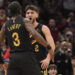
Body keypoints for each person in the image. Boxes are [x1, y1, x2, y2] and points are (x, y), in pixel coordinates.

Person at [0, 1, 52, 75]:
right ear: (20, 10)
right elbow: (34, 34)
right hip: (26, 56)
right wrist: (48, 46)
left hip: (13, 58)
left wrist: (1, 61)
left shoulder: (5, 25)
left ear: (9, 12)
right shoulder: (24, 20)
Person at [25, 5, 55, 75]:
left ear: (37, 15)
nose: (30, 14)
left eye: (32, 13)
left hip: (40, 62)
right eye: (28, 13)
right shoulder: (22, 29)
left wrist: (48, 59)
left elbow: (52, 45)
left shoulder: (43, 28)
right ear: (25, 15)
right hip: (26, 63)